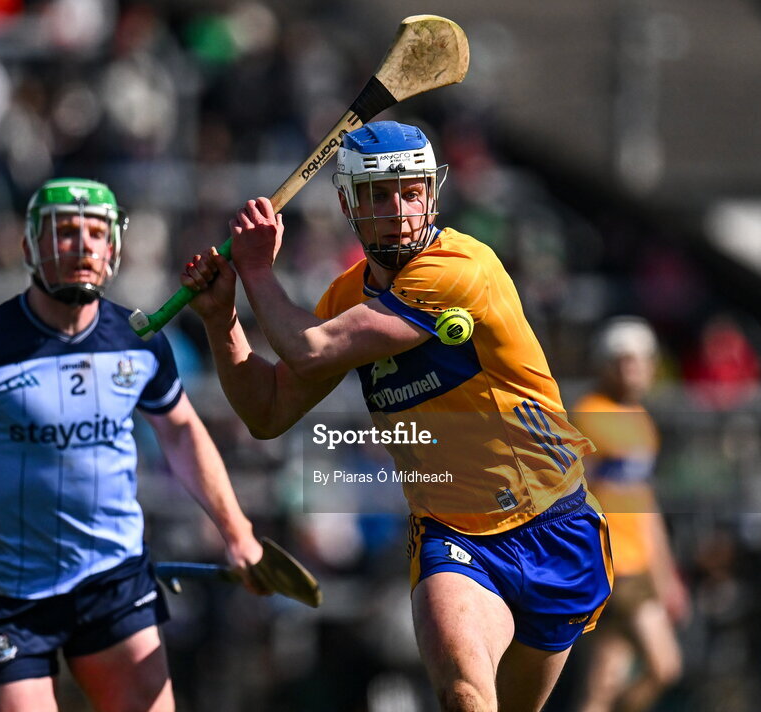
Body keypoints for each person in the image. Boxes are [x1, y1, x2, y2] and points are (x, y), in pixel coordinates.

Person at [180, 121, 613, 711]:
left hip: (553, 524)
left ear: (431, 192)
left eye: (410, 191)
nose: (400, 209)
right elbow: (268, 411)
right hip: (454, 535)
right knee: (464, 692)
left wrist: (257, 271)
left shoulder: (460, 267)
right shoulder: (343, 300)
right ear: (348, 204)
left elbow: (312, 349)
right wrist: (220, 320)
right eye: (380, 195)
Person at [0, 178, 265, 712]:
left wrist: (237, 532)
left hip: (114, 582)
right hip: (7, 597)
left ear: (114, 248)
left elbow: (181, 432)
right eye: (64, 232)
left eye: (95, 232)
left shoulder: (139, 340)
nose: (82, 244)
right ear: (30, 246)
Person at [573, 317, 689, 712]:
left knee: (602, 683)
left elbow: (644, 506)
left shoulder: (640, 422)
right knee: (664, 665)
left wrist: (665, 571)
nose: (634, 369)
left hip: (633, 565)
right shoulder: (593, 416)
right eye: (624, 361)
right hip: (614, 564)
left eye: (640, 360)